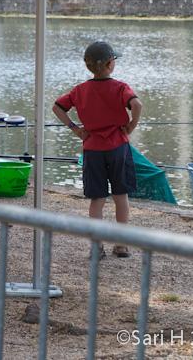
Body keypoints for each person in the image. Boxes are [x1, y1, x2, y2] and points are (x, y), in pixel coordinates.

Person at [52, 41, 142, 258]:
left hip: (92, 149)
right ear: (110, 65)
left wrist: (75, 128)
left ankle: (97, 246)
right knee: (121, 195)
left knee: (97, 199)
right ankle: (121, 244)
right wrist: (130, 125)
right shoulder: (120, 87)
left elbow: (57, 107)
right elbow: (137, 105)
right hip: (118, 147)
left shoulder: (80, 90)